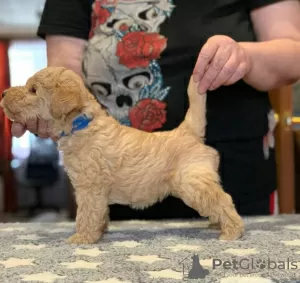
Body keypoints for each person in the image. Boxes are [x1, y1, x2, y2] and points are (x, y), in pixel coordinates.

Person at [12, 0, 300, 219]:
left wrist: (245, 58)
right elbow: (64, 72)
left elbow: (293, 53)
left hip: (230, 173)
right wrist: (47, 107)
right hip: (116, 177)